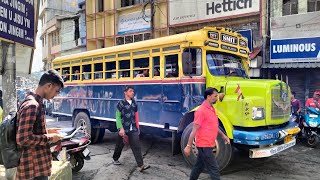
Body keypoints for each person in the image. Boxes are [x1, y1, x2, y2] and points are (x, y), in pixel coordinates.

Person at [16, 70, 64, 180]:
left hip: (38, 166)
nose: (56, 94)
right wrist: (51, 137)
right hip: (32, 169)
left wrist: (49, 131)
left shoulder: (36, 103)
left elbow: (31, 131)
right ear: (49, 86)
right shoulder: (32, 105)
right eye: (56, 91)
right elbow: (23, 138)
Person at [184, 87, 230, 180]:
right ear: (208, 97)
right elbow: (194, 129)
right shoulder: (201, 111)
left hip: (208, 143)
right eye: (215, 96)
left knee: (199, 166)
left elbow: (214, 126)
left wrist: (224, 136)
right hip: (204, 145)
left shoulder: (212, 109)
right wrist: (188, 146)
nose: (217, 98)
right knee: (214, 169)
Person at [112, 86, 150, 172]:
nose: (132, 92)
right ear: (125, 92)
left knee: (137, 146)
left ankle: (141, 165)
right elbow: (117, 117)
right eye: (130, 91)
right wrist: (120, 128)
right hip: (123, 128)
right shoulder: (120, 103)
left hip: (133, 128)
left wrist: (138, 127)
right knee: (119, 145)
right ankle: (115, 159)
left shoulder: (134, 103)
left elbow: (136, 116)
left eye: (133, 91)